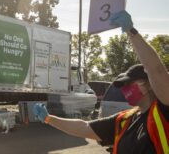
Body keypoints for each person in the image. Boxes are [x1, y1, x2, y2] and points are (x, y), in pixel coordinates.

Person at [33, 10, 169, 154]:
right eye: (123, 86)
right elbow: (84, 127)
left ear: (148, 84)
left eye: (129, 84)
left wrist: (130, 31)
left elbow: (156, 70)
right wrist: (48, 119)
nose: (125, 89)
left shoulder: (163, 111)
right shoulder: (124, 120)